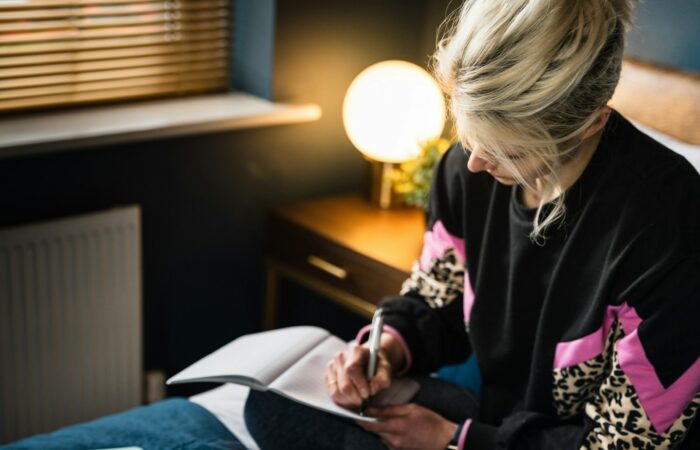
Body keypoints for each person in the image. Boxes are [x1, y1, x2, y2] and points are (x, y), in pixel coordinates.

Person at [245, 0, 700, 449]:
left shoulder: (668, 222)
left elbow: (625, 442)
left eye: (509, 150)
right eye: (470, 134)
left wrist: (454, 442)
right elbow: (435, 299)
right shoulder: (465, 169)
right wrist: (387, 351)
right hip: (497, 424)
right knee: (270, 404)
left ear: (590, 123)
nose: (477, 162)